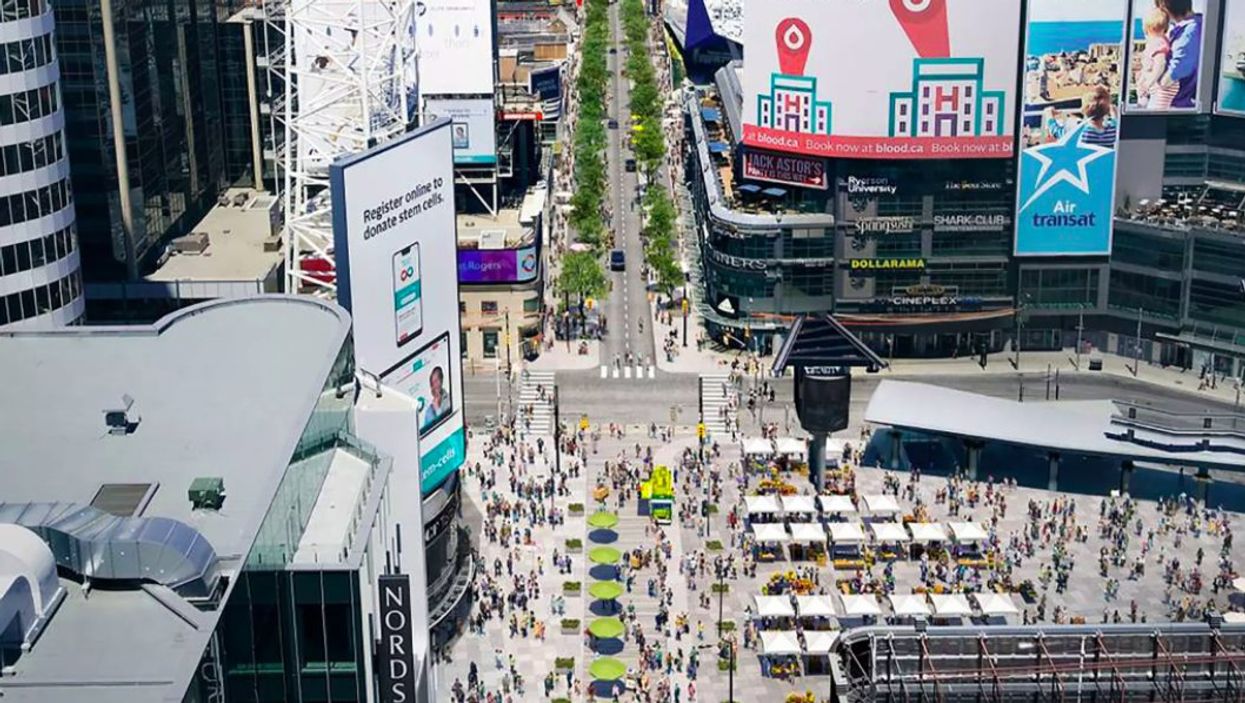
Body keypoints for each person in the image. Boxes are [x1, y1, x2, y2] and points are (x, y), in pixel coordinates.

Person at [1157, 0, 1202, 109]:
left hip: (1181, 107)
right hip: (1187, 104)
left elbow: (1178, 69)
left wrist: (1157, 86)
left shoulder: (1190, 31)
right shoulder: (1198, 24)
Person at [1135, 9, 1178, 109]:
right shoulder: (1160, 41)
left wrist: (1148, 83)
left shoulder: (1158, 43)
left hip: (1162, 87)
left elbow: (1160, 65)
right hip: (1157, 86)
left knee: (1157, 111)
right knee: (1148, 104)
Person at [422, 366, 451, 432]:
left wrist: (437, 408)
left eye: (436, 381)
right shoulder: (429, 411)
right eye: (432, 383)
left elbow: (447, 426)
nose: (435, 385)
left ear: (441, 381)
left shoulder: (449, 401)